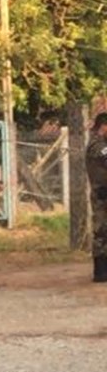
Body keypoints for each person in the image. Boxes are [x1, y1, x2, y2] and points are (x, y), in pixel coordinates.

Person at [88, 111, 107, 283]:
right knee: (101, 231)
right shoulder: (96, 144)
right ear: (103, 126)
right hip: (101, 194)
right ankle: (100, 272)